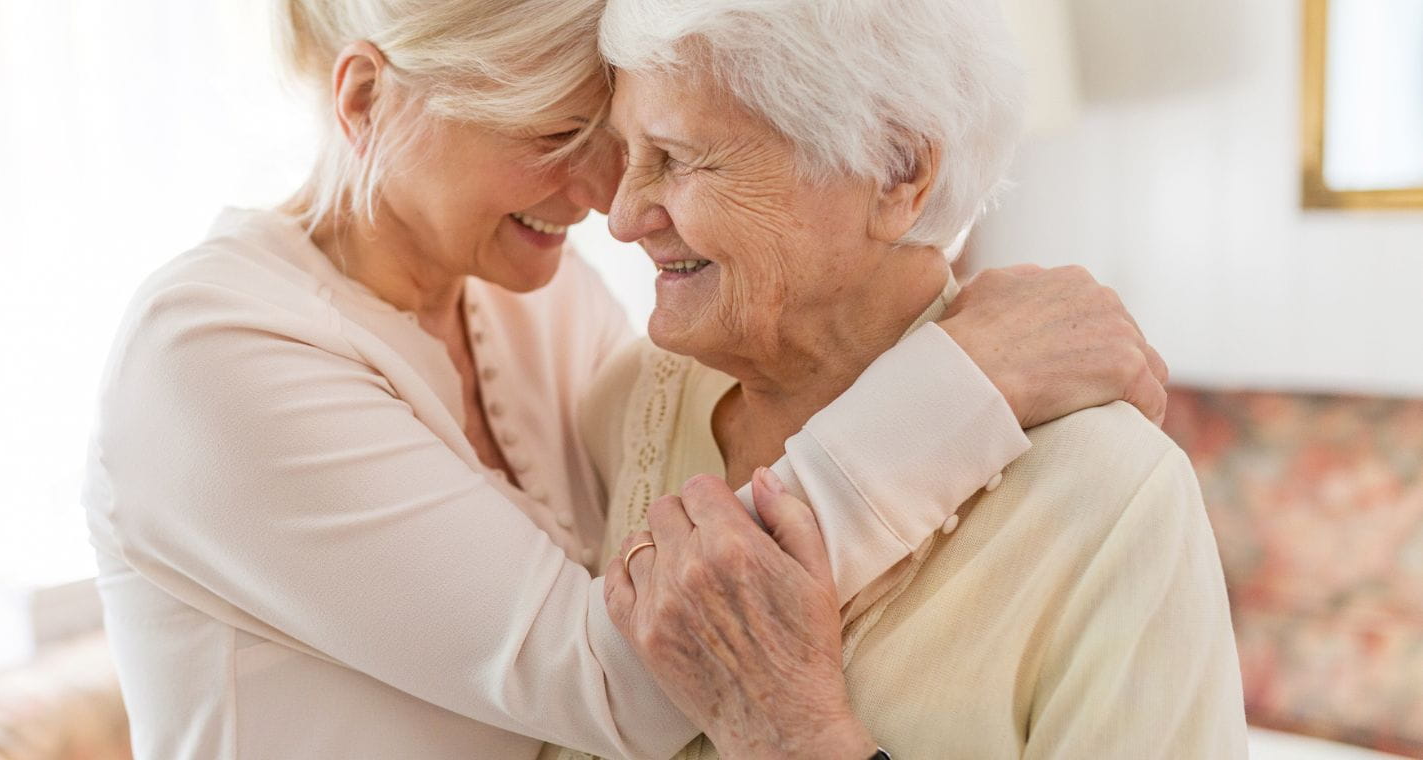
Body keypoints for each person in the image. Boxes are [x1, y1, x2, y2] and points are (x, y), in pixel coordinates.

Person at [81, 0, 1170, 757]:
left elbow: (678, 484)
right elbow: (622, 670)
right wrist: (962, 383)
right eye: (556, 135)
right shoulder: (211, 356)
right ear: (364, 101)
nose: (606, 198)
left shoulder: (526, 295)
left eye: (623, 136)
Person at [572, 0, 1248, 757]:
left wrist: (791, 732)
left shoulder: (1114, 497)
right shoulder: (626, 402)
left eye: (678, 156)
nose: (623, 218)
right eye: (625, 151)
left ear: (897, 172)